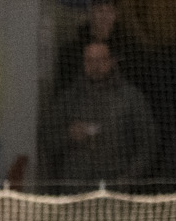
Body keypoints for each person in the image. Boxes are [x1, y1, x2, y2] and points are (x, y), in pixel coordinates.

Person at [46, 41, 161, 192]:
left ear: (111, 61)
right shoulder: (69, 99)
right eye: (90, 60)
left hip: (116, 188)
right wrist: (69, 135)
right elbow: (48, 140)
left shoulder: (130, 98)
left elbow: (149, 144)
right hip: (76, 188)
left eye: (101, 60)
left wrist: (128, 178)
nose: (96, 66)